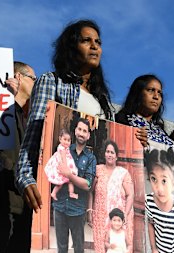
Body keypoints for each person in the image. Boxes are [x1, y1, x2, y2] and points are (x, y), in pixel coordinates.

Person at [17, 19, 113, 214]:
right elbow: (33, 139)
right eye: (86, 40)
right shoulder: (51, 82)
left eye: (98, 42)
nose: (94, 46)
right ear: (71, 47)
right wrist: (25, 178)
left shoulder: (104, 100)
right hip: (55, 182)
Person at [0, 61, 37, 253]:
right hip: (4, 203)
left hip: (24, 207)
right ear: (19, 77)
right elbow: (0, 154)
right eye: (33, 79)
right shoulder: (3, 108)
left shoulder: (31, 116)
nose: (37, 86)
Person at [50, 118, 96, 253]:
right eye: (79, 129)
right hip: (60, 207)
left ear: (89, 135)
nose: (81, 133)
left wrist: (69, 175)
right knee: (61, 250)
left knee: (79, 251)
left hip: (77, 211)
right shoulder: (63, 150)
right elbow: (54, 171)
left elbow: (87, 184)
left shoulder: (90, 158)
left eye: (85, 131)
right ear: (75, 130)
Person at [88, 140, 134, 253]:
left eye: (112, 152)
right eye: (107, 151)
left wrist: (126, 216)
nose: (109, 154)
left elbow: (131, 195)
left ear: (116, 156)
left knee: (118, 250)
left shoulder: (123, 173)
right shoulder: (98, 170)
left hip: (117, 221)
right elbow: (90, 191)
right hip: (101, 217)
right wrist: (90, 209)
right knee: (105, 248)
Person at [115, 74, 174, 147]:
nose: (156, 96)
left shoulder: (161, 131)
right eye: (151, 90)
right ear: (138, 93)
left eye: (159, 92)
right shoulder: (120, 122)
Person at [44, 129, 79, 200]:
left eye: (68, 140)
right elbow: (64, 159)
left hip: (63, 166)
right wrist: (67, 169)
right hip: (64, 167)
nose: (66, 142)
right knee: (68, 181)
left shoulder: (62, 147)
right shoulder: (62, 149)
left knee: (66, 182)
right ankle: (69, 193)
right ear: (60, 139)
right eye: (65, 139)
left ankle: (56, 193)